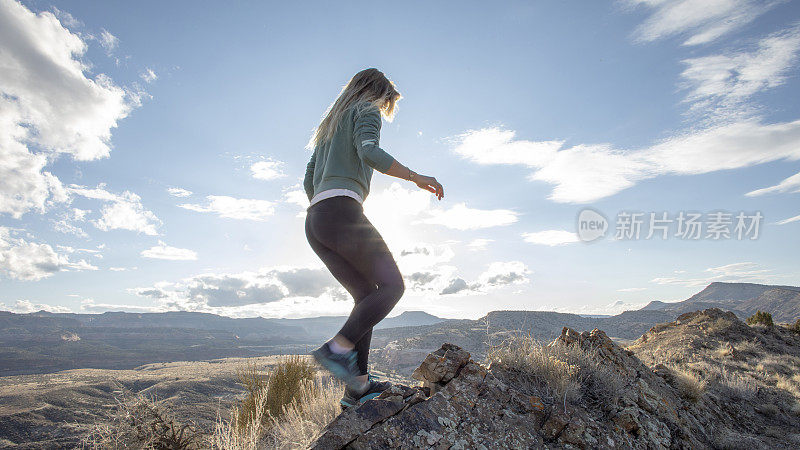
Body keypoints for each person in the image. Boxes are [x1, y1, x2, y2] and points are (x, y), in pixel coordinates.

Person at [304, 68, 444, 409]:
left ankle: (357, 386)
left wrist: (325, 209)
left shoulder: (328, 130)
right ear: (379, 94)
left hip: (316, 222)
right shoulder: (365, 110)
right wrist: (416, 177)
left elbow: (309, 179)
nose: (383, 110)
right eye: (387, 104)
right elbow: (369, 151)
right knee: (393, 287)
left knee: (366, 295)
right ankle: (336, 350)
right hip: (342, 213)